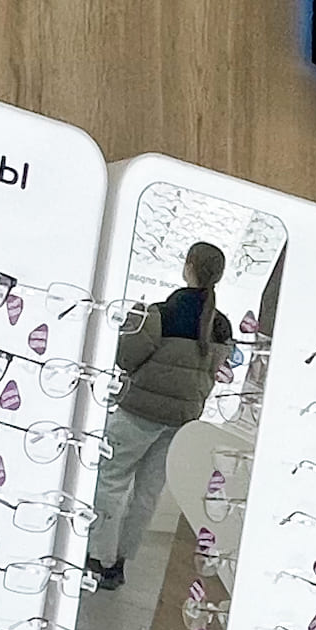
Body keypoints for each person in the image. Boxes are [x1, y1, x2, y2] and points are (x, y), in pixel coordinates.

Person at [82, 241, 233, 591]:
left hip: (139, 413)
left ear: (188, 267)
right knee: (148, 493)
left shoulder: (160, 314)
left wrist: (131, 322)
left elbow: (126, 358)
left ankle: (98, 558)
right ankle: (119, 564)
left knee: (111, 481)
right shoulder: (221, 327)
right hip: (181, 421)